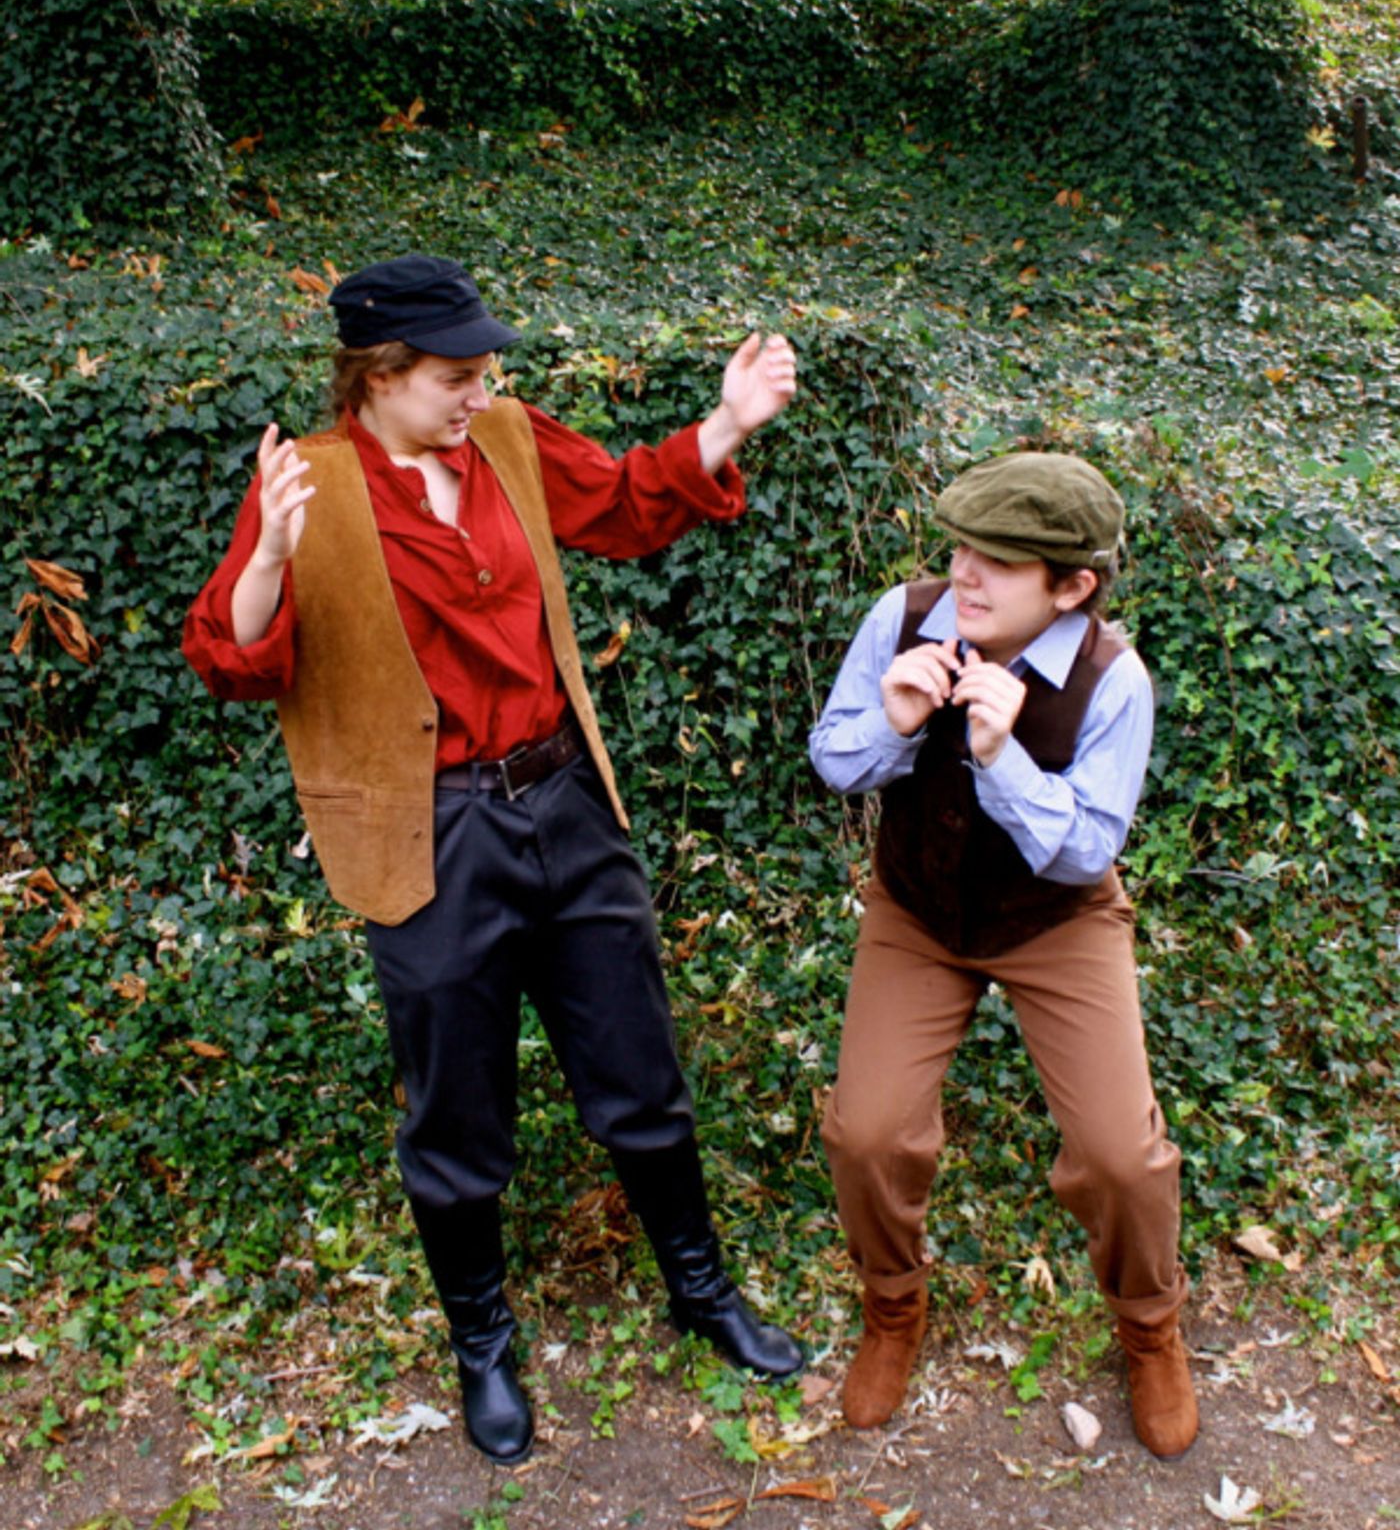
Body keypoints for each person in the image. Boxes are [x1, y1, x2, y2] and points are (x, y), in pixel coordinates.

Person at [183, 254, 804, 1468]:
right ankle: (482, 1346)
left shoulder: (510, 440)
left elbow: (624, 503)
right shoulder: (306, 484)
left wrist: (727, 423)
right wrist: (265, 563)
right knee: (455, 1116)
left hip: (564, 803)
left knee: (638, 1071)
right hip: (427, 835)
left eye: (486, 370)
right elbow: (231, 659)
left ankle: (699, 1291)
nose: (481, 390)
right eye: (456, 375)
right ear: (380, 374)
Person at [808, 453, 1197, 1459]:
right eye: (959, 548)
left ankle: (1148, 1327)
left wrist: (999, 757)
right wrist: (893, 725)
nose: (964, 576)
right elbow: (832, 758)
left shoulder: (1113, 682)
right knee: (865, 1134)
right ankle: (893, 1307)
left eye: (1001, 562)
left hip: (1054, 921)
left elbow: (1082, 850)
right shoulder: (903, 616)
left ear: (1070, 586)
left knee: (1120, 1155)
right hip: (918, 911)